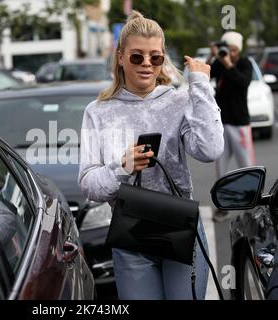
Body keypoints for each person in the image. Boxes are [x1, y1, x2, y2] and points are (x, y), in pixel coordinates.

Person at [78, 11, 224, 300]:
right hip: (131, 233)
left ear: (162, 59)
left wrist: (201, 86)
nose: (146, 64)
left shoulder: (179, 100)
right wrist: (122, 167)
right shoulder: (98, 111)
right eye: (137, 56)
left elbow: (210, 150)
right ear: (120, 57)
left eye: (155, 57)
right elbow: (88, 184)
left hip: (180, 226)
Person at [207, 31, 254, 223]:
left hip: (240, 124)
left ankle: (252, 207)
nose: (231, 53)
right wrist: (213, 55)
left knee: (247, 168)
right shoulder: (220, 62)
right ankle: (223, 207)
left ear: (239, 50)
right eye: (229, 49)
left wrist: (228, 63)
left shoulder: (245, 63)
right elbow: (206, 72)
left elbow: (243, 83)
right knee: (221, 170)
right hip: (221, 124)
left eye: (234, 50)